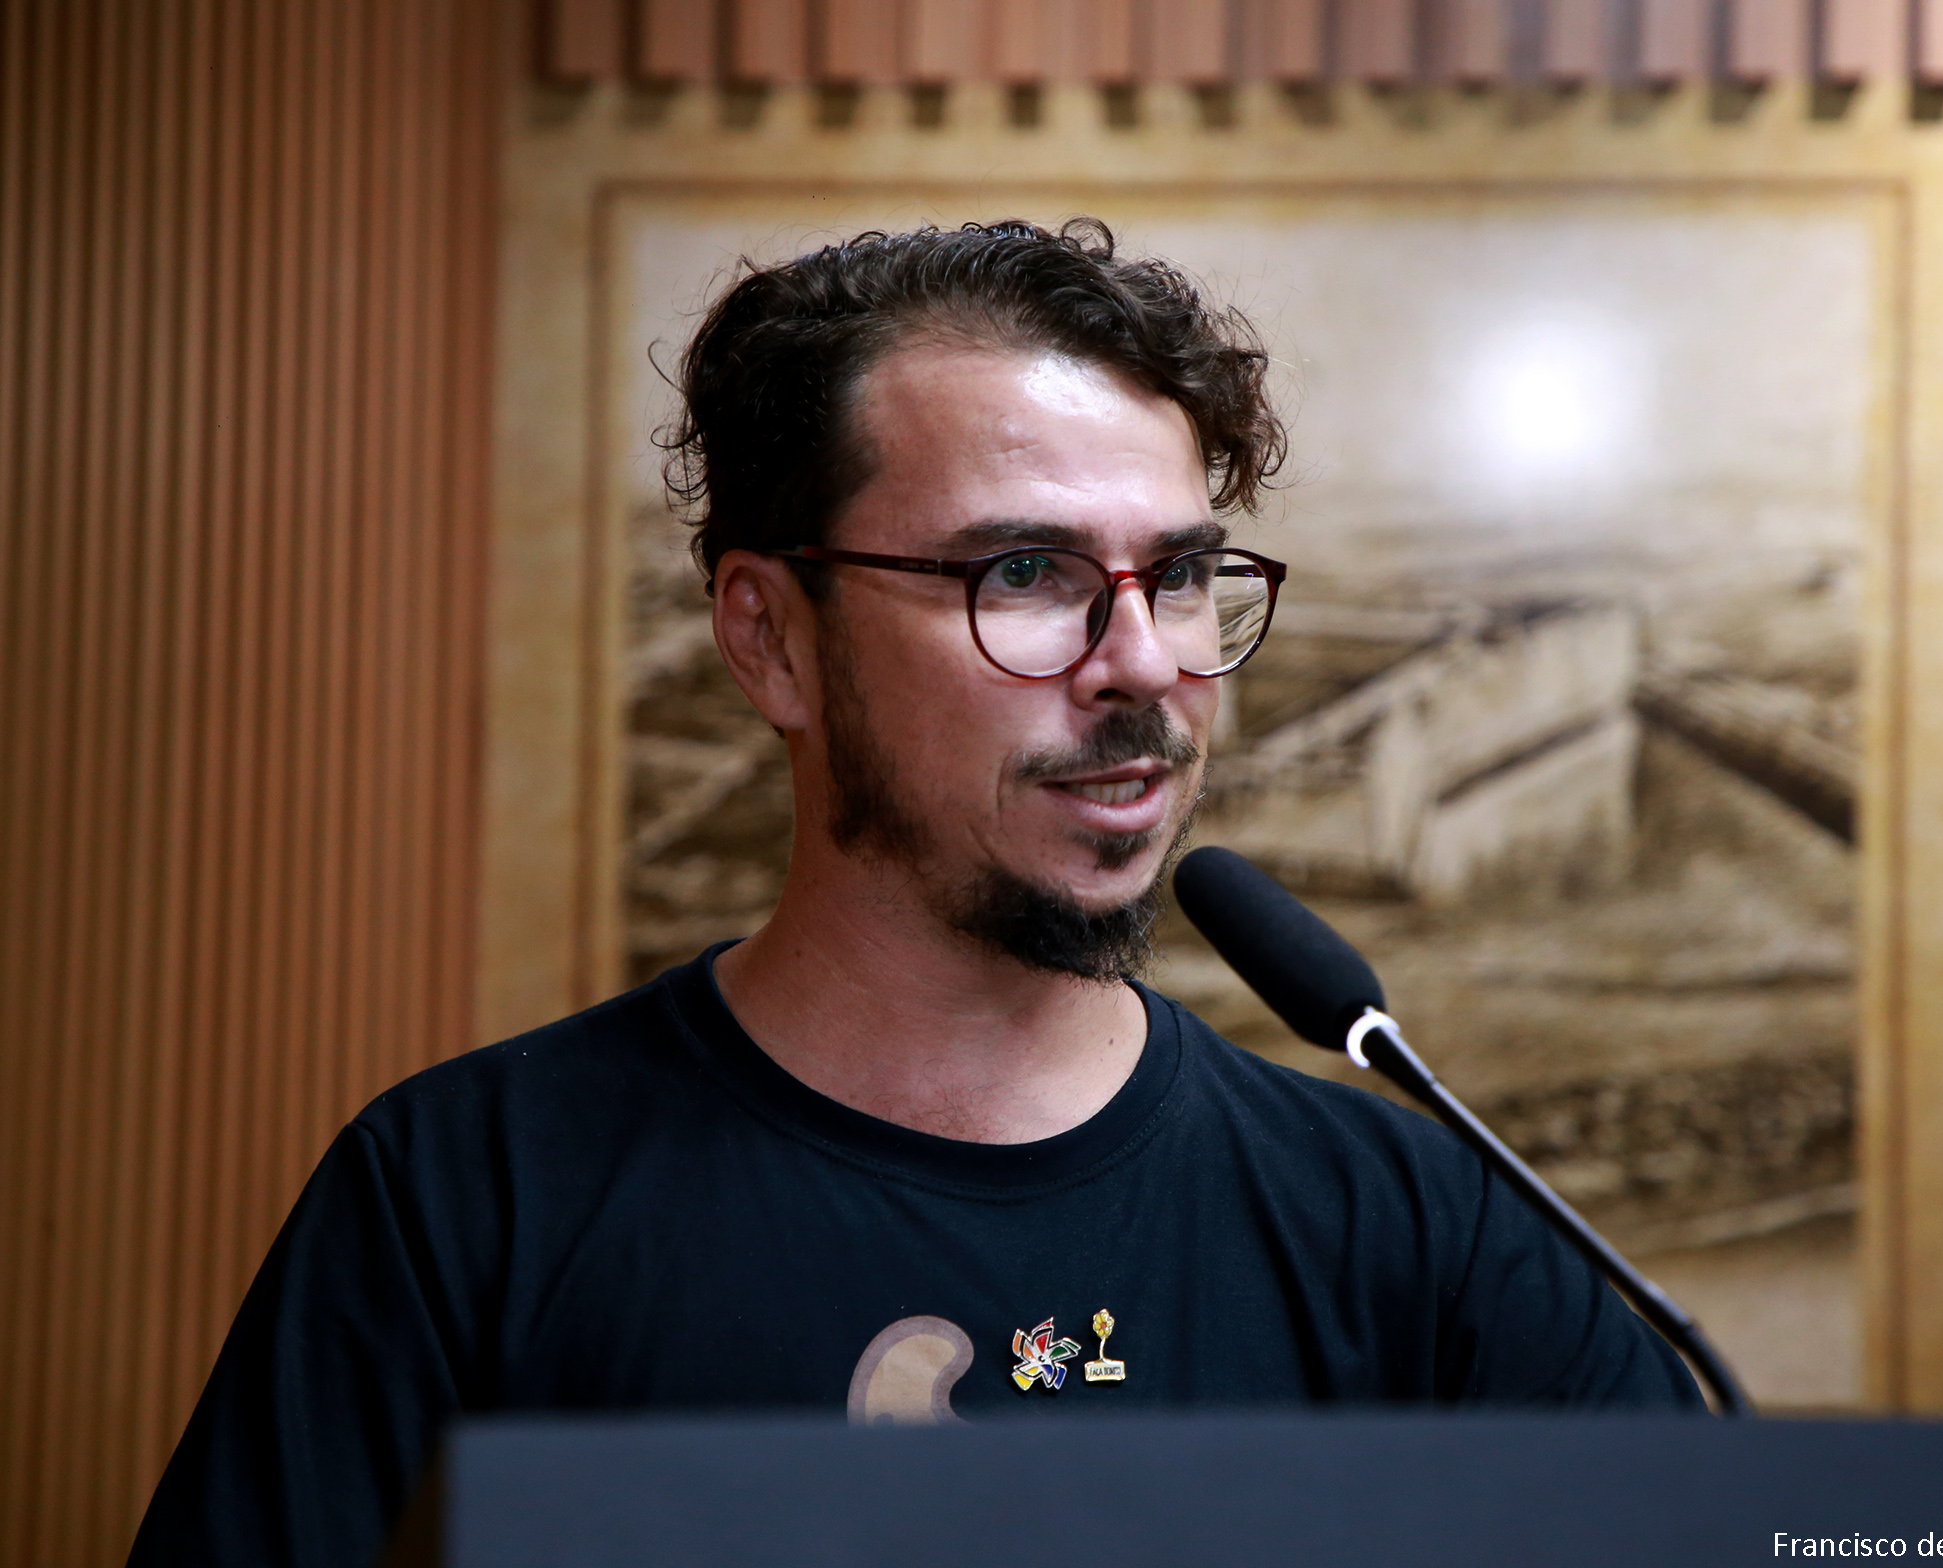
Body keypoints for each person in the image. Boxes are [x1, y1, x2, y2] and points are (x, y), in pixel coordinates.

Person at [129, 219, 1701, 1568]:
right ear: (773, 641)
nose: (1142, 663)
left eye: (1176, 576)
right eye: (1023, 574)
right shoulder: (461, 1204)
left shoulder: (1424, 1234)